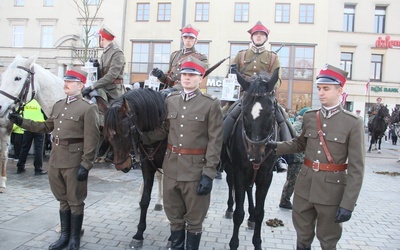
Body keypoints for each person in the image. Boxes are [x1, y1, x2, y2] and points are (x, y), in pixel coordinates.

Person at [267, 64, 365, 250]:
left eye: (326, 89)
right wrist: (274, 147)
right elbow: (299, 144)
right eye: (319, 88)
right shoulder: (311, 117)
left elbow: (357, 168)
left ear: (340, 90)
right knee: (302, 238)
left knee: (328, 241)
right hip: (304, 188)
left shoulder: (353, 123)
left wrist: (348, 204)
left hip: (331, 193)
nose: (321, 93)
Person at [8, 67, 100, 250]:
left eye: (70, 81)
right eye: (65, 80)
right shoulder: (59, 105)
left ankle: (74, 239)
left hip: (74, 162)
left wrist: (86, 164)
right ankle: (64, 236)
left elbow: (92, 139)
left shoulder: (88, 108)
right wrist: (21, 121)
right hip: (56, 160)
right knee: (62, 199)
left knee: (75, 200)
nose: (65, 83)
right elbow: (45, 127)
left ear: (80, 85)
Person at [142, 56, 223, 249]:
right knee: (175, 218)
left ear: (200, 78)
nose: (187, 78)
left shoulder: (211, 104)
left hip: (195, 172)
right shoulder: (171, 100)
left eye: (192, 75)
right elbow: (164, 130)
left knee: (194, 221)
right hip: (171, 170)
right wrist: (142, 138)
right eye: (184, 74)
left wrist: (209, 173)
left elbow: (215, 141)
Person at [151, 24, 208, 91]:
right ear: (182, 39)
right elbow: (167, 80)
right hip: (169, 90)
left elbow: (196, 80)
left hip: (187, 92)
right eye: (185, 37)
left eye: (191, 38)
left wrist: (174, 89)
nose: (188, 40)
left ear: (196, 41)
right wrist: (160, 75)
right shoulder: (174, 55)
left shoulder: (201, 58)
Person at [82, 26, 126, 104]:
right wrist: (97, 67)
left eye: (98, 37)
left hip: (114, 92)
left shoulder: (117, 53)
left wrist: (93, 87)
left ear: (102, 38)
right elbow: (102, 75)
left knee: (112, 113)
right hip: (104, 89)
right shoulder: (105, 53)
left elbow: (111, 76)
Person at [279, 107, 310, 209]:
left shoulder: (303, 124)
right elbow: (296, 139)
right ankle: (285, 200)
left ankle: (287, 200)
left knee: (296, 181)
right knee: (292, 180)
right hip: (297, 158)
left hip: (301, 158)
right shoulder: (298, 125)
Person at [16, 99, 47, 175]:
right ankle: (38, 168)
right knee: (38, 148)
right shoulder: (40, 102)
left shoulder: (26, 101)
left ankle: (20, 167)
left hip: (28, 126)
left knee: (25, 147)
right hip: (39, 126)